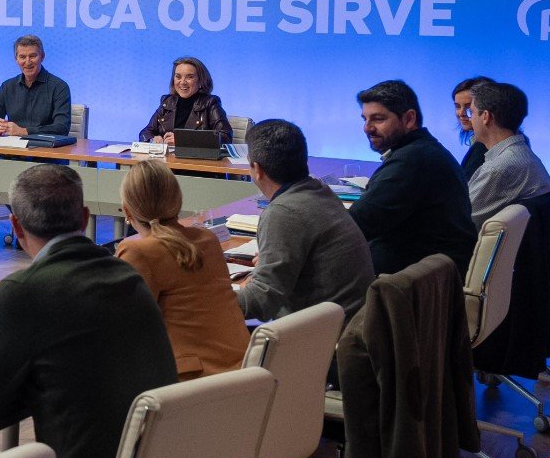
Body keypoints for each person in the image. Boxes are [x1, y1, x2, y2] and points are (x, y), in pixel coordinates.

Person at [0, 164, 177, 458]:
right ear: (85, 217)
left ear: (14, 225)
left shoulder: (23, 291)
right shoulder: (129, 278)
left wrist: (17, 386)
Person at [115, 160, 249, 378]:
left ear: (128, 212)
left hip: (192, 386)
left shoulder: (137, 251)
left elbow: (122, 329)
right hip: (243, 373)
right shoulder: (208, 238)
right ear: (177, 201)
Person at [235, 119, 375, 322]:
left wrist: (206, 297)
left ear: (257, 169)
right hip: (349, 328)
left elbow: (261, 302)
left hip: (323, 342)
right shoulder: (319, 191)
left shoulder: (283, 211)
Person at [349, 79, 476, 277]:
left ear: (409, 119)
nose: (367, 128)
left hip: (411, 288)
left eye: (378, 119)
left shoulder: (412, 161)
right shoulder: (424, 151)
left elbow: (354, 226)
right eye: (365, 119)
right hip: (427, 279)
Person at [465, 81, 550, 224]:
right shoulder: (524, 154)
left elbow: (460, 222)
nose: (470, 119)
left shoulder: (497, 169)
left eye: (472, 112)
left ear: (486, 116)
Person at [0, 34, 72, 138]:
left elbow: (61, 128)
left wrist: (24, 131)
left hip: (44, 151)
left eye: (32, 56)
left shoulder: (59, 87)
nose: (27, 62)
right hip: (12, 151)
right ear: (16, 59)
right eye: (22, 57)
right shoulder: (7, 86)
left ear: (42, 57)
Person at [138, 57, 232, 144]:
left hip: (195, 160)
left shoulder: (210, 103)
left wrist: (183, 140)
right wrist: (153, 139)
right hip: (167, 160)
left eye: (189, 77)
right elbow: (145, 132)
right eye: (178, 77)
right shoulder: (167, 102)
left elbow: (225, 137)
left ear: (200, 80)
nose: (182, 82)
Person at [451, 75, 494, 180]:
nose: (461, 113)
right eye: (457, 107)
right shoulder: (478, 142)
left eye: (468, 107)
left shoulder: (488, 146)